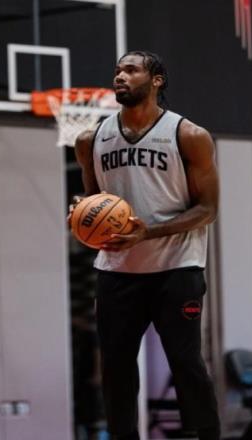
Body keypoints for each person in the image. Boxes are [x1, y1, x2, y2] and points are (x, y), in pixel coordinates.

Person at [73, 51, 220, 440]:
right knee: (115, 366)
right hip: (118, 270)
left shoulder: (188, 135)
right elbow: (94, 201)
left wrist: (147, 232)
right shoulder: (90, 139)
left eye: (131, 70)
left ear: (157, 80)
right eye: (117, 71)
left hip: (177, 266)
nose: (120, 76)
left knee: (185, 361)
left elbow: (207, 210)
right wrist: (81, 215)